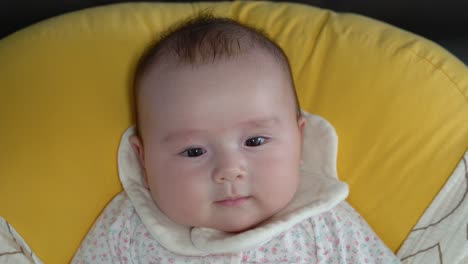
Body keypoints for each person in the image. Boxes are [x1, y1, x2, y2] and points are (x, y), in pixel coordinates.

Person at [72, 14, 401, 263]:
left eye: (255, 142)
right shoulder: (128, 231)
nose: (230, 170)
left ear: (299, 140)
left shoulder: (326, 225)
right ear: (144, 160)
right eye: (194, 151)